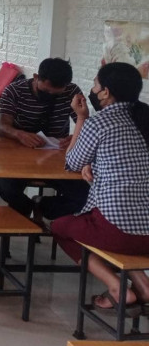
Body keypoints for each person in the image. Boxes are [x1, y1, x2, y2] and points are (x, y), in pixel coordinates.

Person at [52, 63, 149, 314]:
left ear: (105, 92)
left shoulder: (101, 123)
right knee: (118, 231)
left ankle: (117, 288)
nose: (93, 89)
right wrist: (93, 163)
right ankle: (143, 285)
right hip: (146, 235)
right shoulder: (144, 119)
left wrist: (81, 118)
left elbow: (72, 162)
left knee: (60, 227)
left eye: (95, 84)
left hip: (117, 231)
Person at [0, 58, 89, 224]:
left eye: (56, 93)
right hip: (18, 157)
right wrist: (19, 134)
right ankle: (25, 212)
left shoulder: (71, 92)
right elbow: (2, 127)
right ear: (36, 77)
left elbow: (85, 125)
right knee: (5, 188)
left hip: (56, 158)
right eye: (46, 91)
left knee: (84, 194)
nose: (50, 95)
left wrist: (76, 137)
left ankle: (43, 206)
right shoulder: (15, 91)